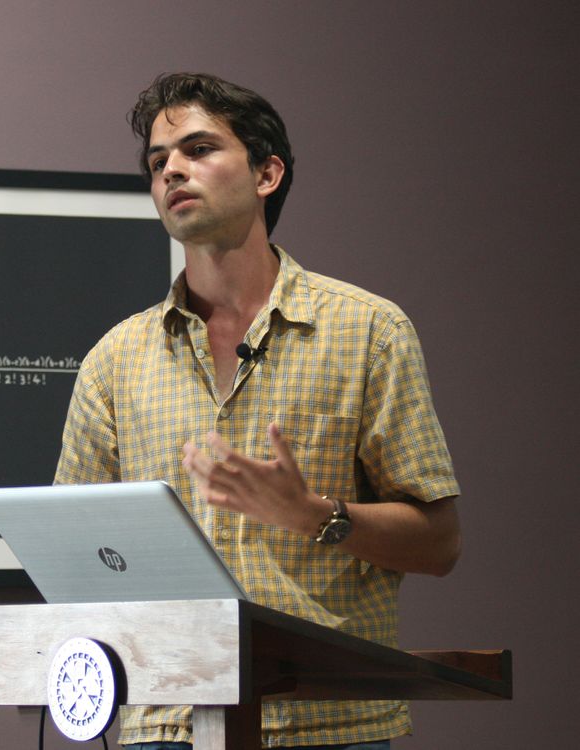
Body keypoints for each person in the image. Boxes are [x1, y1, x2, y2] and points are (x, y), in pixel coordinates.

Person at [55, 72, 461, 750]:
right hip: (166, 724)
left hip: (329, 725)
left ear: (267, 174)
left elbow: (439, 542)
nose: (172, 170)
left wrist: (314, 515)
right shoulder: (113, 360)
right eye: (158, 162)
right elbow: (74, 556)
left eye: (198, 149)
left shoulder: (369, 331)